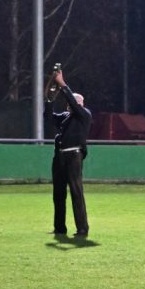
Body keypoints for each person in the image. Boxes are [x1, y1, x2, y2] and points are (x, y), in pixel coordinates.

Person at [47, 67, 91, 238]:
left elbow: (73, 103)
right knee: (58, 193)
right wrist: (50, 100)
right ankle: (59, 228)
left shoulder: (85, 115)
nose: (72, 104)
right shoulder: (65, 117)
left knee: (76, 192)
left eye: (76, 102)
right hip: (60, 157)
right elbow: (48, 117)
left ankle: (82, 228)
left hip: (74, 156)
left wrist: (62, 84)